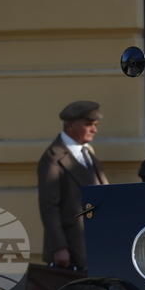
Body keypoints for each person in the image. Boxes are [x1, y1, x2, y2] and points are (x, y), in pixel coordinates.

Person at [38, 101, 109, 271]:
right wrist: (59, 247)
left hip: (96, 242)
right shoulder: (52, 158)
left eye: (95, 125)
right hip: (72, 250)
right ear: (70, 125)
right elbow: (49, 208)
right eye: (88, 124)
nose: (94, 129)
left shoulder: (87, 151)